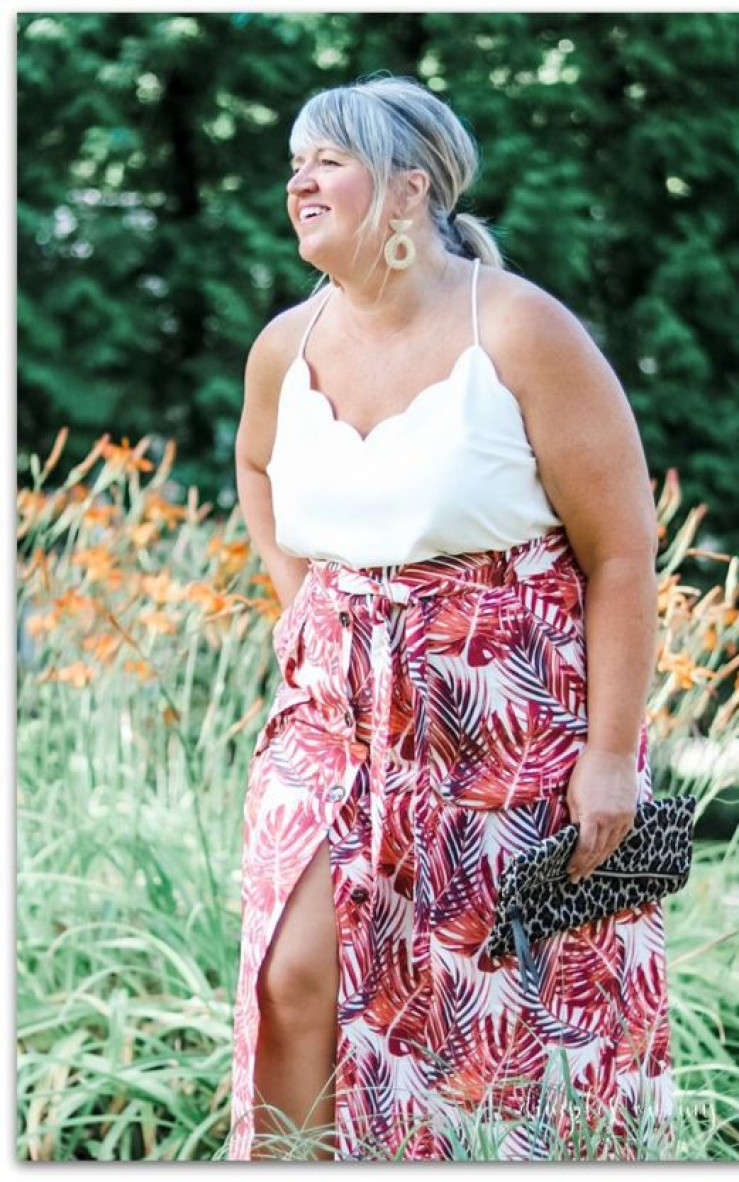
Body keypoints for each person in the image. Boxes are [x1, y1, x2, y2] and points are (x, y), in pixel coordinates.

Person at [228, 74, 675, 1162]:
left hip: (512, 727)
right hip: (334, 719)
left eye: (327, 158)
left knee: (505, 1028)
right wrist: (308, 608)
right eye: (295, 161)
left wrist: (609, 756)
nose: (300, 179)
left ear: (408, 187)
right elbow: (255, 465)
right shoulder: (287, 345)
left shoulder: (519, 330)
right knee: (292, 978)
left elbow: (620, 550)